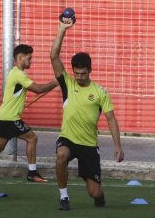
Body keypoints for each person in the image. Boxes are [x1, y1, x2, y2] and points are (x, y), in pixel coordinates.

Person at [50, 17, 124, 211]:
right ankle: (64, 197)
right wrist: (62, 29)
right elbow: (54, 56)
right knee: (60, 155)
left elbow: (111, 119)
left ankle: (100, 195)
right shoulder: (68, 83)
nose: (80, 77)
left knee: (94, 192)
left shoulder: (100, 92)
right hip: (68, 138)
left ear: (90, 71)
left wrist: (117, 145)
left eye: (83, 73)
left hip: (89, 145)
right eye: (77, 73)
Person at [0, 44, 58, 183]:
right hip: (10, 118)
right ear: (21, 57)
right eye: (29, 58)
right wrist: (56, 81)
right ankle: (32, 173)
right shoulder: (18, 74)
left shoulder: (14, 73)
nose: (31, 61)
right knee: (32, 138)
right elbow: (39, 89)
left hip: (3, 116)